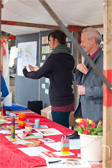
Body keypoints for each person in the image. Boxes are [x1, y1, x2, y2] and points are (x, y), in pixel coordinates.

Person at [23, 30, 75, 128]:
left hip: (59, 101)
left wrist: (25, 73)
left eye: (50, 40)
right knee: (65, 129)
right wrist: (39, 70)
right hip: (69, 99)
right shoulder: (70, 57)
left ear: (56, 41)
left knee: (61, 130)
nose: (49, 44)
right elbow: (58, 75)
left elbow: (37, 75)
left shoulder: (54, 58)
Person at [73, 27, 103, 123]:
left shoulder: (106, 60)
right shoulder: (87, 57)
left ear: (92, 41)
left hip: (97, 116)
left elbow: (108, 89)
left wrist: (86, 90)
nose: (81, 44)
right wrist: (77, 69)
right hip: (85, 113)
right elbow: (79, 83)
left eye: (83, 41)